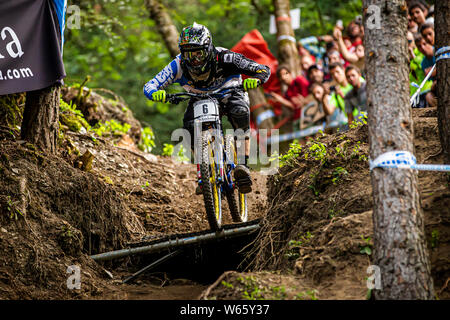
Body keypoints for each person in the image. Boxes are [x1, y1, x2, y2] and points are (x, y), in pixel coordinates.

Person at [143, 23, 270, 194]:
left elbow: (262, 69)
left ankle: (243, 165)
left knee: (240, 112)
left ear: (209, 48)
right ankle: (203, 171)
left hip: (230, 92)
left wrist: (257, 79)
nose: (194, 59)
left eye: (198, 53)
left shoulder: (226, 57)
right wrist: (157, 93)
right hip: (198, 97)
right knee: (188, 127)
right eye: (188, 54)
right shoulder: (178, 64)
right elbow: (150, 85)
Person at [322, 62, 353, 131]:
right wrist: (324, 95)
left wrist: (342, 96)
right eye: (332, 74)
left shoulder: (354, 83)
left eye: (337, 72)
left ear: (343, 70)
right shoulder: (335, 93)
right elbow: (329, 111)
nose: (335, 75)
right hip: (352, 123)